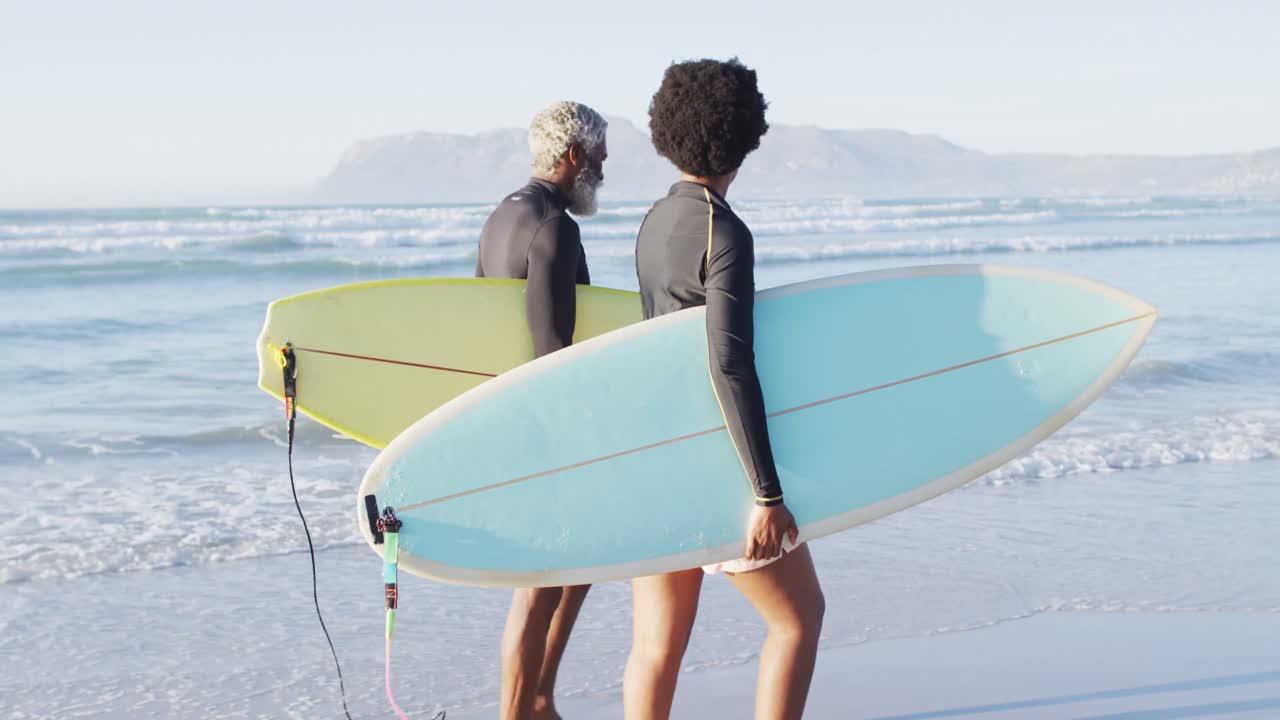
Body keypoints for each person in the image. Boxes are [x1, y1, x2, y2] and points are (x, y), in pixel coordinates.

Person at [627, 59, 824, 720]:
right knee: (798, 620)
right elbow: (728, 363)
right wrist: (767, 494)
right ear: (743, 137)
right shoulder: (724, 230)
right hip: (717, 462)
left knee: (656, 648)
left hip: (661, 454)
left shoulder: (654, 221)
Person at [475, 100, 608, 720]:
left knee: (578, 564)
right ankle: (518, 711)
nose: (605, 165)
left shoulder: (501, 216)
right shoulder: (556, 226)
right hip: (541, 422)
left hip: (504, 411)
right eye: (600, 153)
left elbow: (478, 326)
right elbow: (553, 347)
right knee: (539, 582)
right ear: (574, 156)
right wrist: (580, 435)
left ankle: (540, 699)